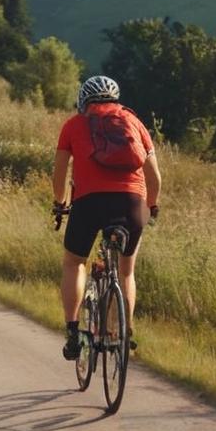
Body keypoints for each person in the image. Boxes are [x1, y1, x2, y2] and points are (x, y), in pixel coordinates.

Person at [52, 75, 162, 360]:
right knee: (126, 270)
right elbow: (155, 177)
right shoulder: (135, 123)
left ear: (83, 101)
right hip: (131, 203)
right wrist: (152, 205)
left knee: (74, 262)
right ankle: (125, 332)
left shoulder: (73, 125)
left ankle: (73, 331)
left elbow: (60, 173)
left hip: (89, 203)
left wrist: (59, 203)